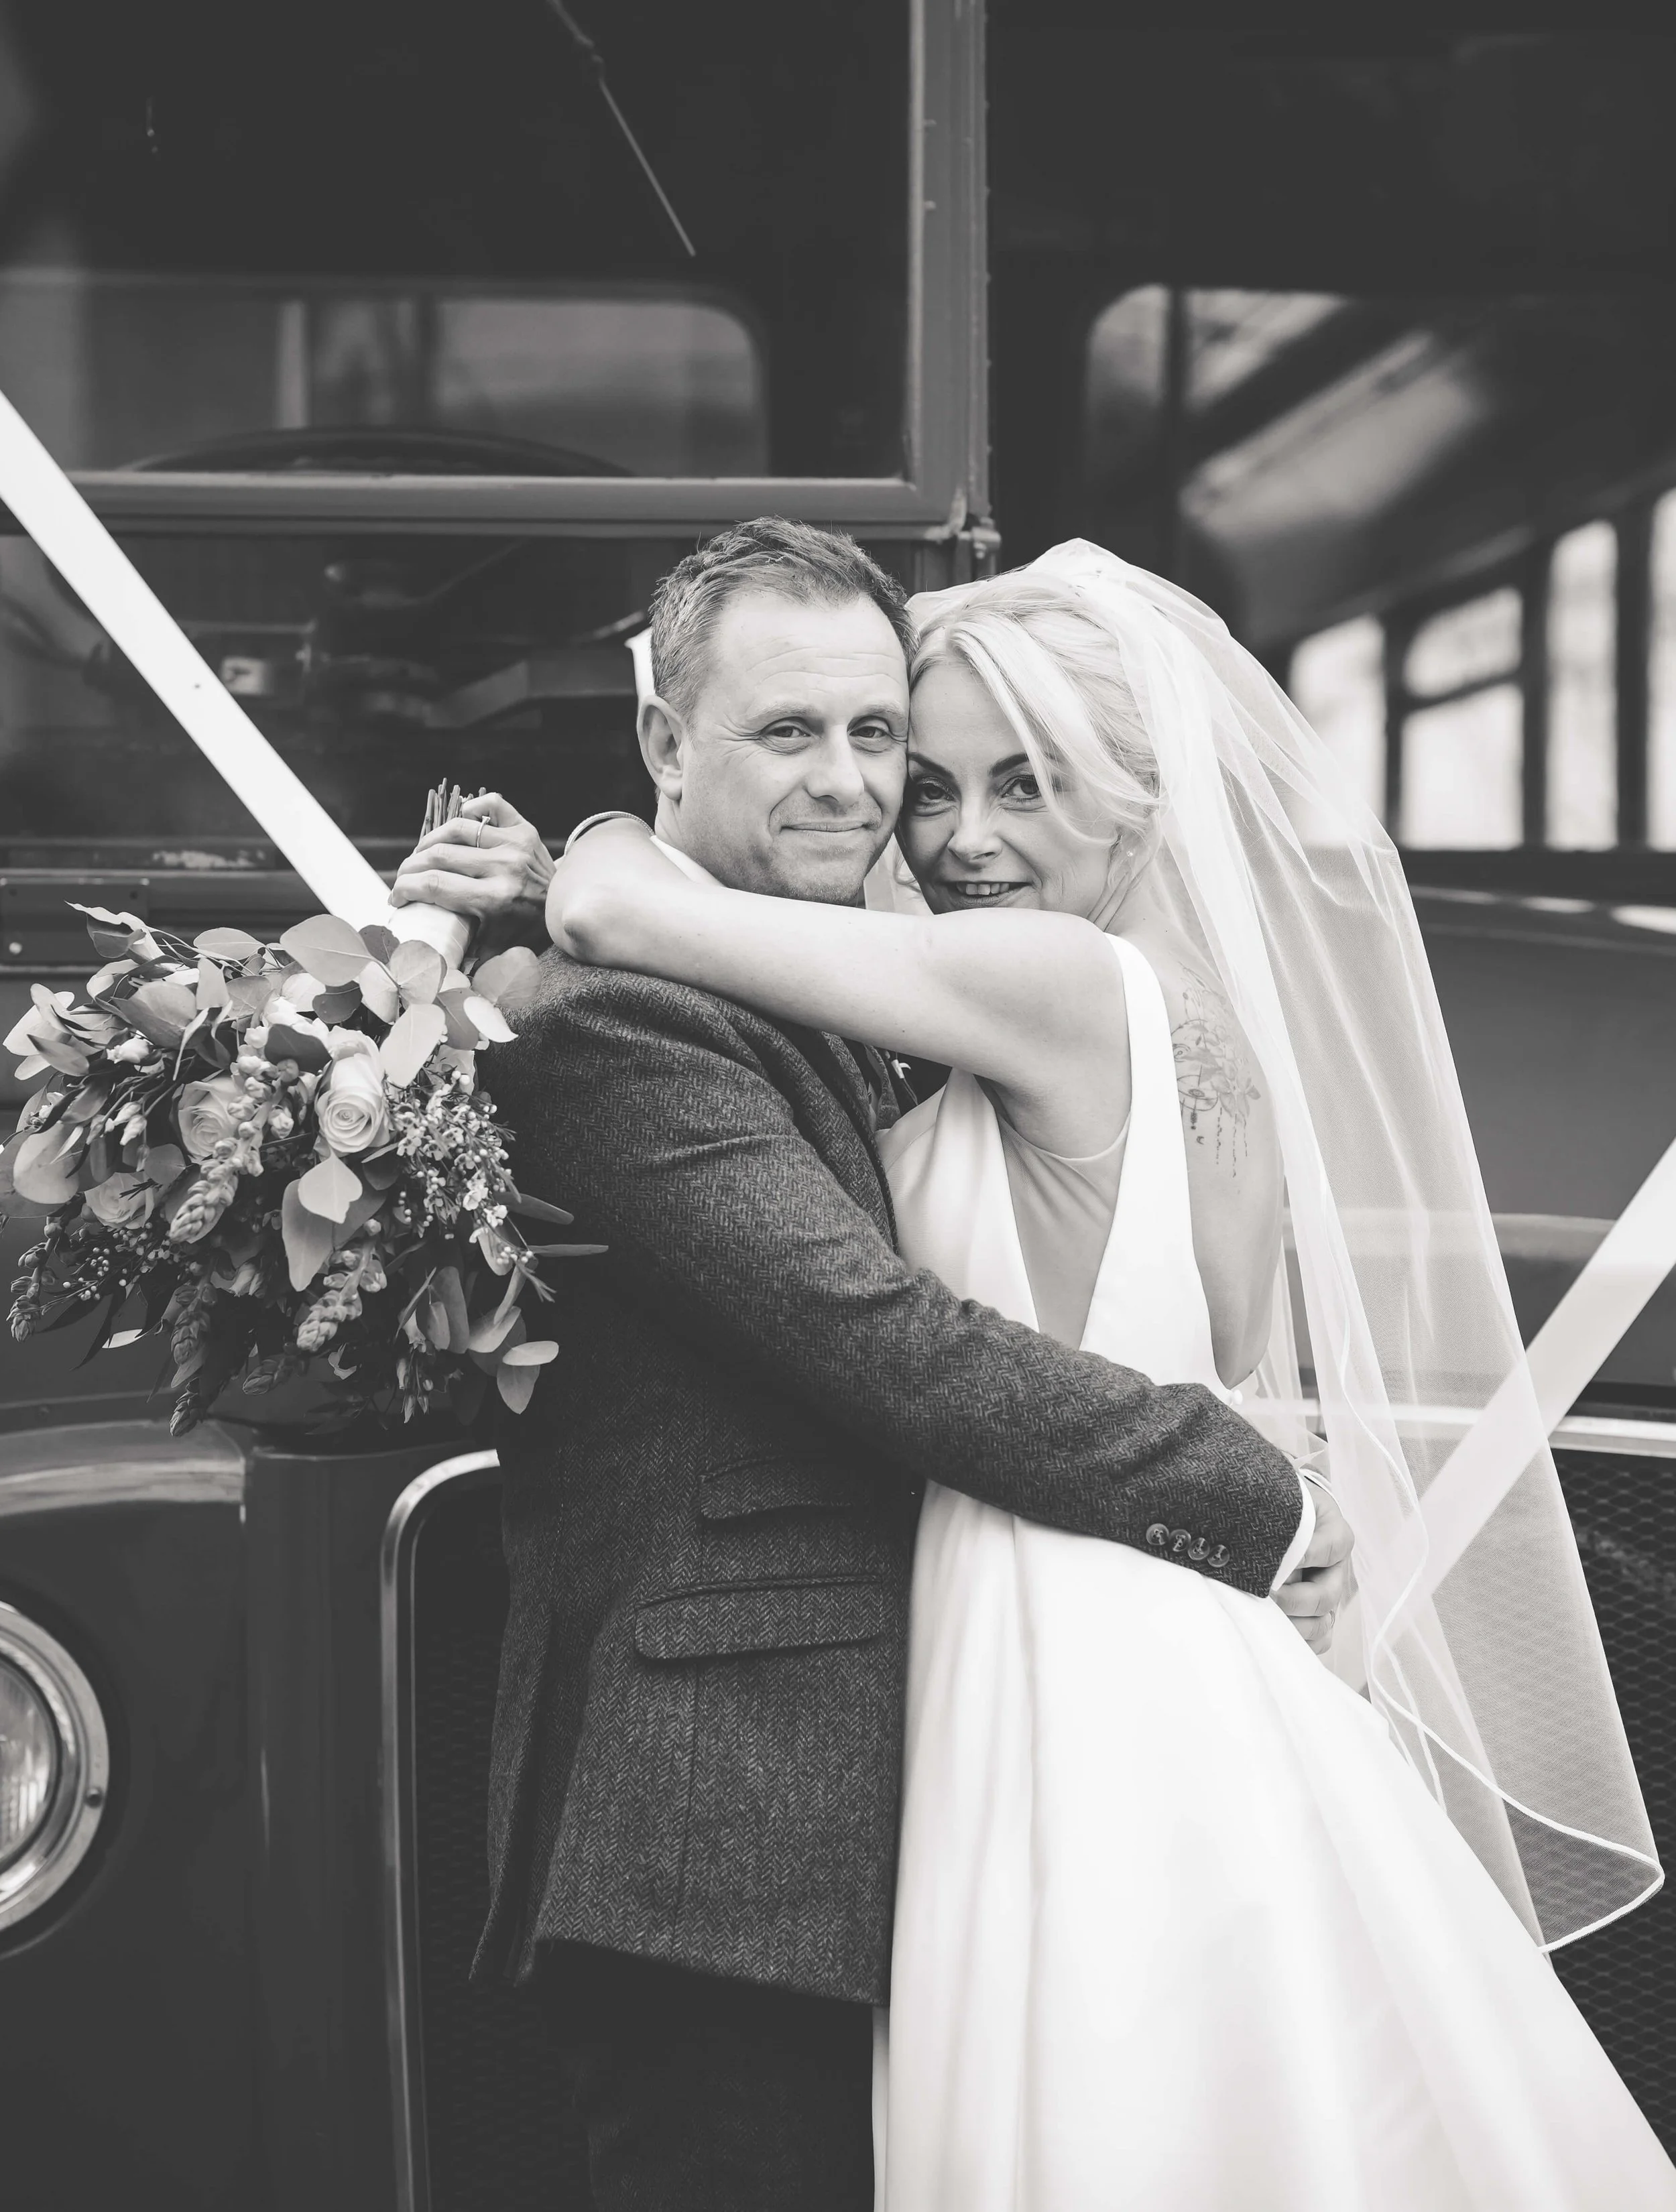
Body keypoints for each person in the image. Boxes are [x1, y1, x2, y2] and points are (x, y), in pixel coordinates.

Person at [419, 534, 1675, 2209]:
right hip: (1139, 1632)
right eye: (926, 781)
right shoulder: (1112, 1020)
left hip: (1069, 1632)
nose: (946, 833)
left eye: (1017, 784)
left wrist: (566, 866)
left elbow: (620, 907)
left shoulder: (1049, 984)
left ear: (1135, 809)